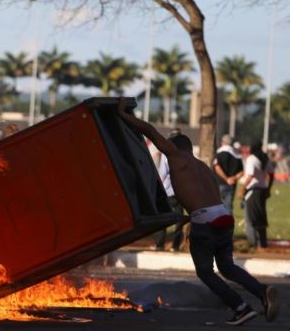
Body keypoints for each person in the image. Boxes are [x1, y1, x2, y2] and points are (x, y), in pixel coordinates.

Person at [117, 98, 279, 326]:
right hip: (223, 216)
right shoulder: (203, 167)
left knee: (205, 271)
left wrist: (125, 115)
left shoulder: (175, 156)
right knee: (228, 267)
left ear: (175, 146)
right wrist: (187, 218)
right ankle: (261, 292)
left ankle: (241, 307)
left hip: (206, 222)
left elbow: (150, 131)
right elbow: (206, 199)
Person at [238, 140, 275, 249]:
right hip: (263, 190)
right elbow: (272, 175)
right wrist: (268, 188)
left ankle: (252, 244)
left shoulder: (251, 158)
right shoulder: (265, 158)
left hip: (253, 191)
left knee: (250, 219)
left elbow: (249, 176)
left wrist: (242, 189)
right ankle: (263, 243)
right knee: (261, 217)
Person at [154, 129, 185, 252]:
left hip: (168, 192)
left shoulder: (166, 155)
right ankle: (175, 245)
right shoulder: (185, 154)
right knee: (179, 221)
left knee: (163, 219)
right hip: (181, 193)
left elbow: (162, 174)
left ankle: (159, 244)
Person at [213, 135, 244, 214]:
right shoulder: (237, 155)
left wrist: (226, 178)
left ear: (223, 142)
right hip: (231, 185)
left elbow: (217, 167)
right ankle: (228, 225)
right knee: (228, 208)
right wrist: (233, 178)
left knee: (215, 208)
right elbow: (241, 172)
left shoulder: (219, 153)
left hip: (219, 184)